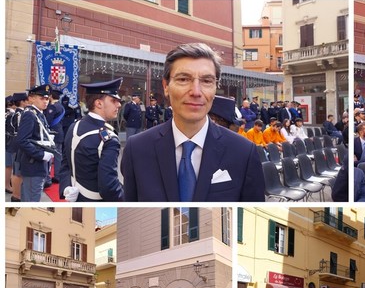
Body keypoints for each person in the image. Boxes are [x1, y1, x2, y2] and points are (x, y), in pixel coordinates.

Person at [121, 43, 265, 202]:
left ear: (215, 87)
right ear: (166, 86)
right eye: (183, 79)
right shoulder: (137, 149)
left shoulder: (243, 152)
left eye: (206, 81)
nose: (196, 92)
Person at [58, 82, 125, 202]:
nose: (119, 105)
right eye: (113, 100)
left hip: (76, 198)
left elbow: (65, 165)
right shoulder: (109, 140)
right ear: (98, 103)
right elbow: (109, 187)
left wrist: (66, 187)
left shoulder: (74, 126)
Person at [16, 84, 54, 202]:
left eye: (47, 99)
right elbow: (22, 141)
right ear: (31, 98)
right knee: (32, 198)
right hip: (33, 163)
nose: (45, 101)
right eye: (42, 98)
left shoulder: (39, 114)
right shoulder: (30, 114)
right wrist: (41, 155)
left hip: (38, 163)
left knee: (33, 195)